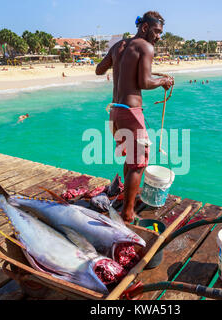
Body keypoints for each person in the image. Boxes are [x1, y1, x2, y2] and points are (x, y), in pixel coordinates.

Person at [95, 11, 174, 223]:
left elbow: (99, 70)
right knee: (139, 164)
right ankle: (128, 214)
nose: (158, 37)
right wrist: (163, 81)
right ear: (145, 28)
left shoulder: (119, 46)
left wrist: (119, 64)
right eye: (157, 32)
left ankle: (125, 198)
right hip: (131, 112)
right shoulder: (146, 47)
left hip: (115, 111)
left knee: (131, 160)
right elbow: (144, 82)